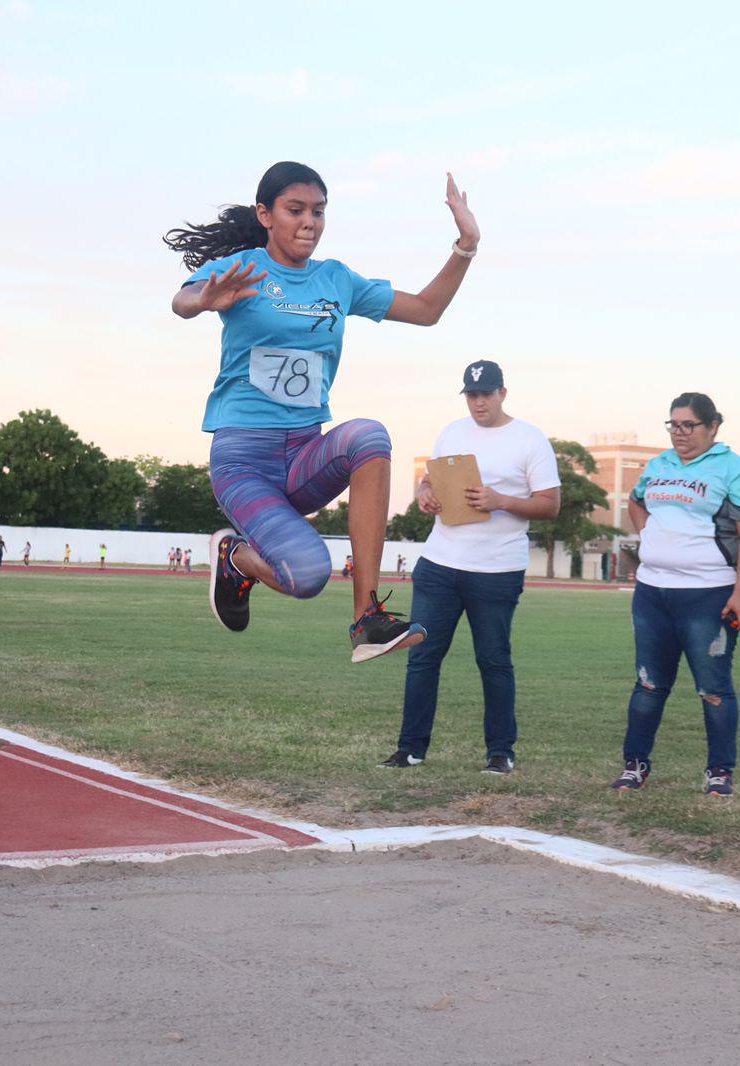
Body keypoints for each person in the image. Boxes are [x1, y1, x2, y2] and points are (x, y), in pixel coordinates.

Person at [167, 160, 479, 663]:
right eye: (295, 210)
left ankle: (367, 619)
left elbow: (426, 309)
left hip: (306, 452)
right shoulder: (244, 268)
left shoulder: (335, 280)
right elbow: (181, 301)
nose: (309, 221)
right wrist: (203, 299)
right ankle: (236, 556)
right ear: (266, 215)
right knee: (308, 577)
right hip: (244, 460)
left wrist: (466, 246)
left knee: (369, 435)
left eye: (318, 211)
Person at [379, 361, 560, 774]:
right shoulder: (452, 431)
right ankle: (410, 749)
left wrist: (501, 501)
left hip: (496, 571)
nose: (479, 402)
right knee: (422, 657)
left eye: (486, 394)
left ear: (502, 393)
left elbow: (550, 505)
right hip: (440, 563)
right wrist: (426, 494)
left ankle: (500, 752)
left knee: (493, 660)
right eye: (472, 394)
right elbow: (430, 480)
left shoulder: (530, 439)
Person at [609, 392, 740, 798]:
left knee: (713, 688)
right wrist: (649, 536)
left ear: (712, 427)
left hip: (706, 594)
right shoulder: (659, 464)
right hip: (652, 592)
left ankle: (719, 772)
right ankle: (635, 765)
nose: (679, 433)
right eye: (673, 424)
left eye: (688, 425)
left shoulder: (735, 470)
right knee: (648, 683)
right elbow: (636, 500)